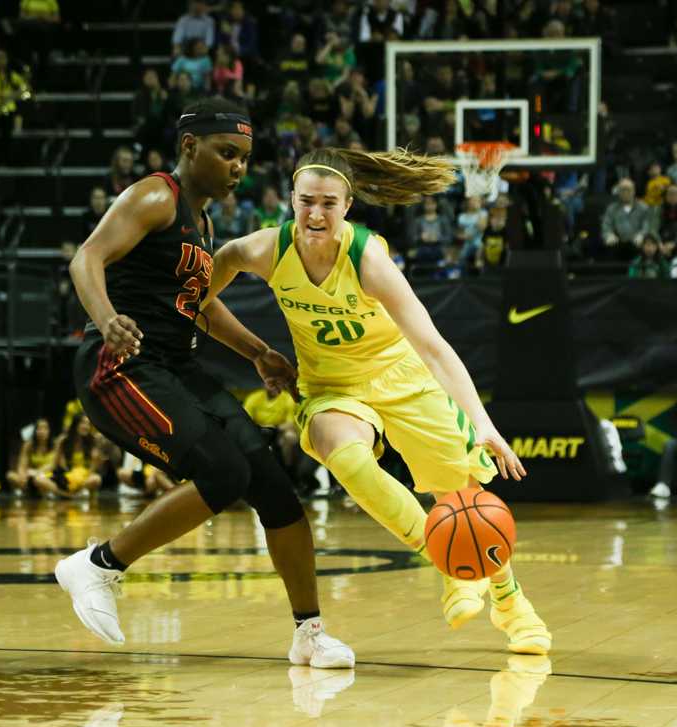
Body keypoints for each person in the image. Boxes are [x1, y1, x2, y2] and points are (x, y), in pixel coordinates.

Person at [207, 146, 550, 655]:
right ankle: (445, 561)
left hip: (400, 375)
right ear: (291, 201)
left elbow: (433, 346)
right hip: (331, 388)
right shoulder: (262, 250)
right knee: (344, 455)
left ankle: (511, 603)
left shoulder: (367, 259)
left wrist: (483, 423)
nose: (316, 214)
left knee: (462, 497)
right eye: (306, 202)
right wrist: (250, 347)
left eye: (328, 203)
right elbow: (202, 290)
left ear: (347, 205)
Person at [53, 98, 355, 669]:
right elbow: (86, 258)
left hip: (175, 365)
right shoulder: (155, 195)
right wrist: (106, 318)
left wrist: (259, 352)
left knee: (275, 488)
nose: (238, 167)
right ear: (190, 147)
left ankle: (309, 633)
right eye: (227, 153)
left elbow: (203, 307)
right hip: (121, 364)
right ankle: (97, 565)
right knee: (223, 472)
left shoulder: (204, 221)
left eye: (244, 157)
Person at [6, 417, 56, 495]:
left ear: (50, 431)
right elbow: (22, 464)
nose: (42, 431)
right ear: (35, 431)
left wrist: (37, 472)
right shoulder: (28, 445)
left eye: (45, 428)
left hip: (49, 475)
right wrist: (22, 476)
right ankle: (30, 490)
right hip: (31, 475)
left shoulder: (55, 445)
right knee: (10, 475)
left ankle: (48, 491)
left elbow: (53, 465)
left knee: (40, 479)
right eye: (39, 428)